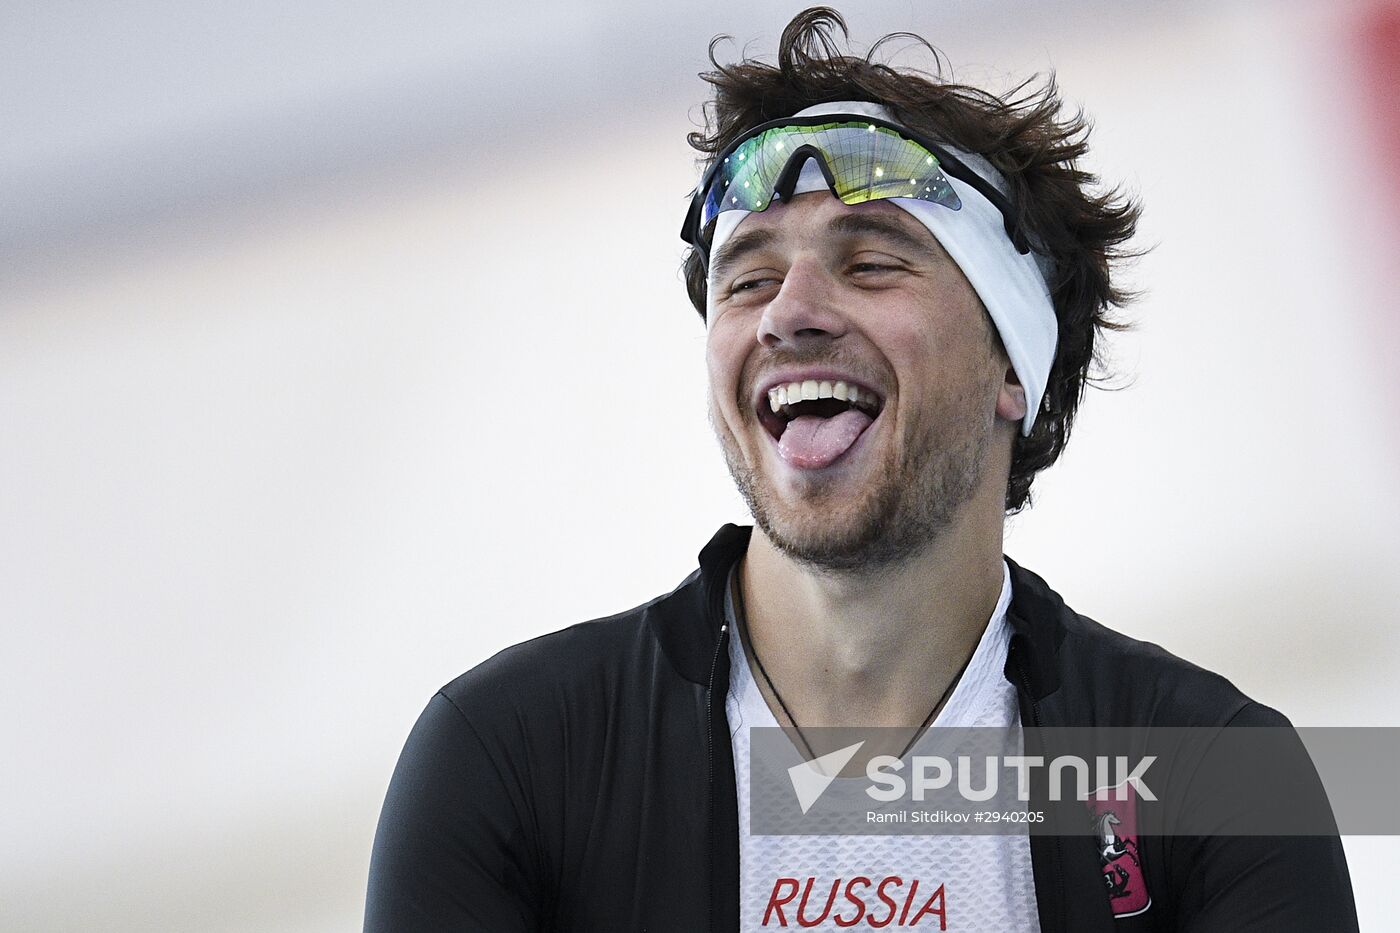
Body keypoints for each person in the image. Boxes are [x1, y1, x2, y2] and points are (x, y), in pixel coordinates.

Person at [364, 8, 1358, 931]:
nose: (787, 312)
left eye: (870, 261)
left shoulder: (1216, 778)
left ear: (1011, 365)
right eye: (746, 278)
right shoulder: (512, 762)